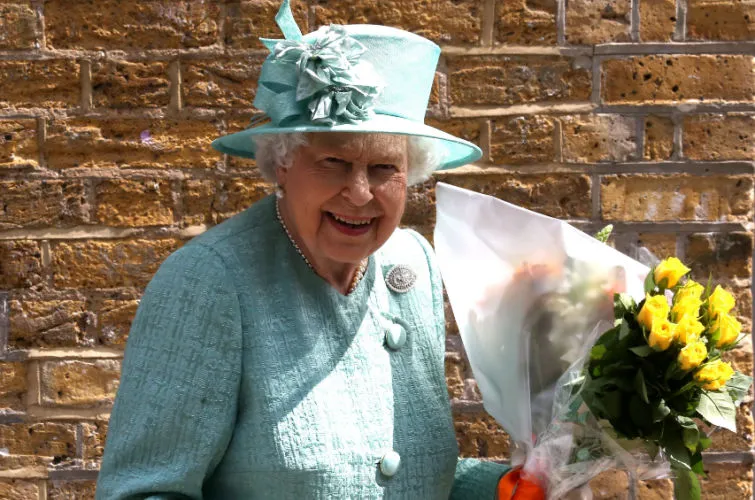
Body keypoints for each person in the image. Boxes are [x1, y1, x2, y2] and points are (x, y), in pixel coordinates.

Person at [96, 2, 544, 498]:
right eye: (333, 161)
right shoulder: (210, 281)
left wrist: (512, 488)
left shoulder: (411, 262)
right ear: (282, 163)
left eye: (383, 169)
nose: (359, 193)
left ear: (410, 174)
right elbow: (144, 491)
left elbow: (399, 474)